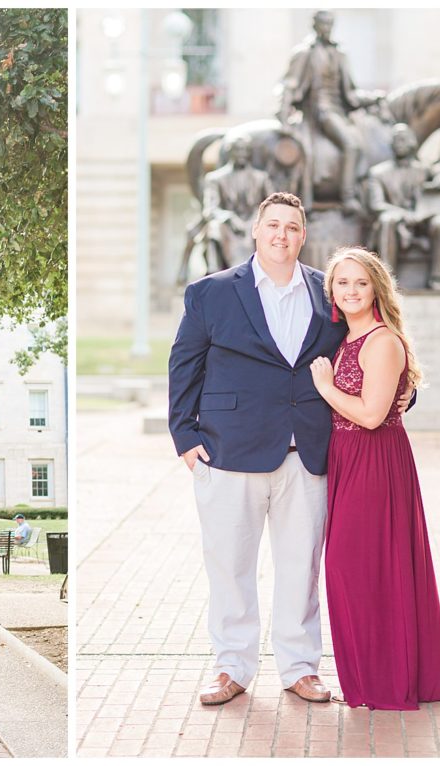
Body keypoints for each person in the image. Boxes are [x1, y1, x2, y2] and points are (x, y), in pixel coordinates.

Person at [170, 191, 349, 706]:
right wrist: (185, 436)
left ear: (304, 235)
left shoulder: (327, 293)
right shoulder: (211, 293)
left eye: (292, 227)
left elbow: (359, 349)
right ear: (256, 230)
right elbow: (185, 364)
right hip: (228, 450)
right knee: (229, 565)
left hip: (307, 453)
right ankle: (232, 668)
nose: (281, 235)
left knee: (301, 566)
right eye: (273, 225)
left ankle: (299, 668)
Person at [309, 246, 440, 710]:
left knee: (357, 569)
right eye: (341, 282)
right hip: (347, 460)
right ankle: (372, 680)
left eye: (360, 282)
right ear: (331, 290)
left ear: (376, 289)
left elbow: (371, 416)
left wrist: (327, 388)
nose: (350, 290)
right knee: (359, 571)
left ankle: (387, 682)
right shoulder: (346, 339)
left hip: (375, 461)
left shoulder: (382, 341)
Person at [277, 10, 385, 214]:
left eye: (330, 24)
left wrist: (371, 98)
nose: (327, 28)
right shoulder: (304, 53)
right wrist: (283, 116)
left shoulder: (340, 54)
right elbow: (289, 85)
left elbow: (350, 92)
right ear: (315, 26)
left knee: (365, 142)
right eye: (323, 24)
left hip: (339, 111)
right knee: (351, 144)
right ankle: (347, 196)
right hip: (320, 112)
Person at [367, 123, 440, 290]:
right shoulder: (378, 173)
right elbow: (376, 204)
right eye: (396, 140)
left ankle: (437, 279)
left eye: (404, 139)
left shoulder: (424, 169)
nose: (399, 143)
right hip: (395, 222)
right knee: (387, 220)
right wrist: (405, 215)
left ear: (412, 143)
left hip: (422, 223)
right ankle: (388, 280)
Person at [199, 135, 275, 271]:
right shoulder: (215, 179)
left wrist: (256, 219)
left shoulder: (261, 178)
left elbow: (273, 206)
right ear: (230, 152)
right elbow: (210, 209)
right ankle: (213, 274)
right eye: (238, 150)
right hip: (229, 227)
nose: (242, 154)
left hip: (254, 224)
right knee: (213, 228)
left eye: (245, 150)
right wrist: (229, 218)